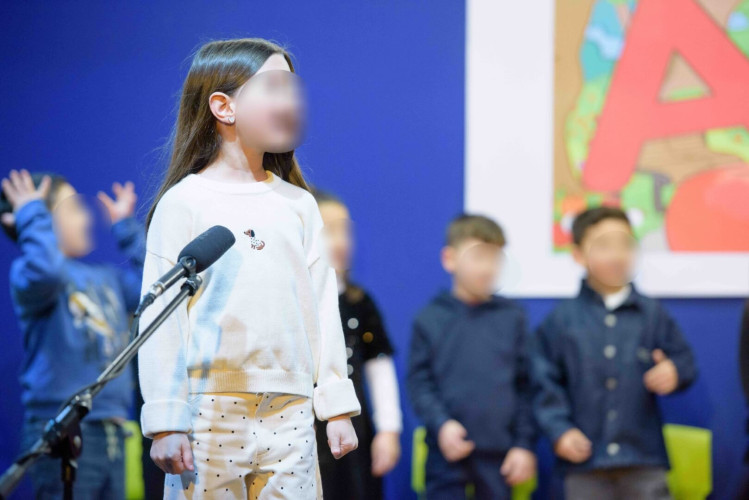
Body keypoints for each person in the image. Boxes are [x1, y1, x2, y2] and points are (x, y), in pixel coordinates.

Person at [138, 38, 360, 499]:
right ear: (223, 106)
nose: (291, 102)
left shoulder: (299, 205)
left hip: (292, 410)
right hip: (207, 411)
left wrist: (335, 404)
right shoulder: (184, 203)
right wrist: (166, 420)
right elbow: (162, 320)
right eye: (274, 87)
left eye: (293, 89)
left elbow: (323, 307)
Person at [533, 206, 698, 500]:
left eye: (625, 244)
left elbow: (685, 361)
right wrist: (560, 430)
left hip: (643, 458)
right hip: (584, 462)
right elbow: (543, 382)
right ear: (578, 255)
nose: (617, 255)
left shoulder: (652, 314)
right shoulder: (561, 321)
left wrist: (675, 371)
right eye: (604, 245)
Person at [1, 169, 144, 499]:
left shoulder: (106, 277)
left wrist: (126, 229)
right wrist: (29, 213)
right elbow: (46, 269)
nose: (87, 216)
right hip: (63, 431)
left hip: (114, 431)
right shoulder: (32, 276)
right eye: (74, 207)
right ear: (39, 222)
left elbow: (156, 288)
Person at [407, 214, 537, 500]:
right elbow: (420, 384)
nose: (488, 268)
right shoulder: (430, 319)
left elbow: (527, 386)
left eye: (496, 258)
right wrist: (442, 424)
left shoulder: (513, 318)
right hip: (445, 454)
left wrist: (524, 444)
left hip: (500, 458)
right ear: (450, 259)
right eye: (478, 257)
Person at [312, 190, 402, 500]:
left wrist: (389, 429)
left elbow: (380, 368)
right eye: (328, 230)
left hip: (355, 429)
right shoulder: (296, 301)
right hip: (305, 430)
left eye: (345, 230)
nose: (340, 241)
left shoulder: (360, 303)